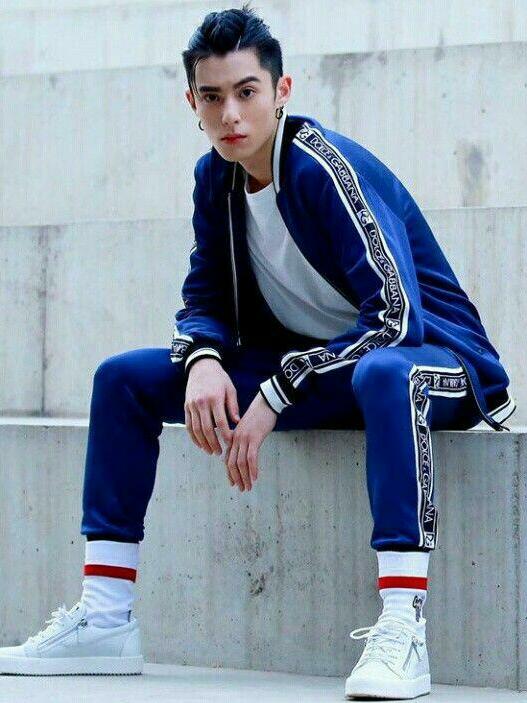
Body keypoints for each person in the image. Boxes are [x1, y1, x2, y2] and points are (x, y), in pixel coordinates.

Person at [0, 4, 516, 699]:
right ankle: (105, 617)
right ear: (192, 103)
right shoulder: (214, 180)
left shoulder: (322, 169)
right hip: (322, 373)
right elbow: (205, 294)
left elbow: (396, 319)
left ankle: (403, 625)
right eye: (212, 97)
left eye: (246, 92)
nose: (231, 114)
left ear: (281, 91)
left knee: (384, 374)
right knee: (122, 379)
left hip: (434, 363)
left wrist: (276, 390)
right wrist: (204, 359)